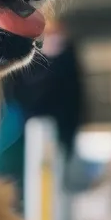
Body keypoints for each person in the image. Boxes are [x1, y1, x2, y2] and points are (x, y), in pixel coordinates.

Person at [11, 15, 86, 160]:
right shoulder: (26, 61)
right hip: (29, 125)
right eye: (49, 33)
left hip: (61, 124)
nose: (52, 38)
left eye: (55, 33)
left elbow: (74, 97)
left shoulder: (68, 60)